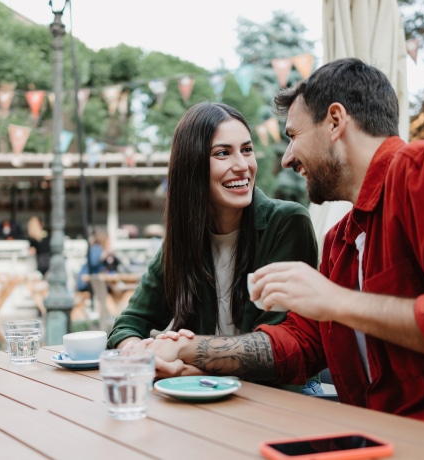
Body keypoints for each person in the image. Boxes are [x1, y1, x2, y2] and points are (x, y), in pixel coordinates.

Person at [139, 59, 424, 434]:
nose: (286, 158)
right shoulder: (341, 241)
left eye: (293, 135)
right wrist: (186, 350)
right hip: (373, 439)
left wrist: (337, 301)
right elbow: (302, 344)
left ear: (335, 122)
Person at [108, 102, 322, 394]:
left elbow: (276, 353)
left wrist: (182, 364)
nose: (242, 165)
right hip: (201, 397)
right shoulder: (183, 239)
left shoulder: (286, 222)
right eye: (223, 153)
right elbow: (129, 324)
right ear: (192, 166)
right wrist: (138, 353)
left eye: (246, 150)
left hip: (277, 400)